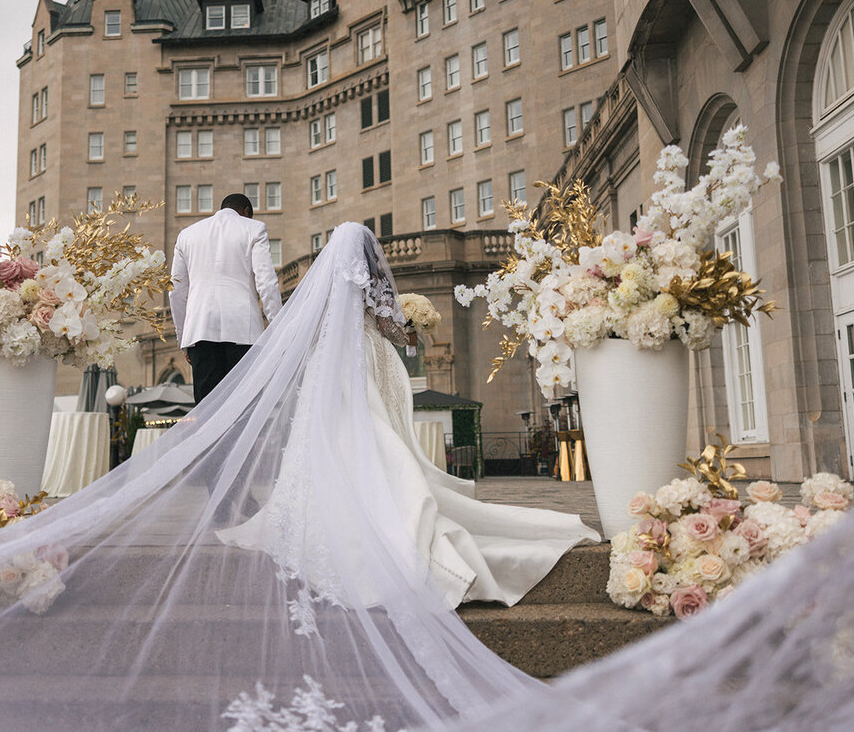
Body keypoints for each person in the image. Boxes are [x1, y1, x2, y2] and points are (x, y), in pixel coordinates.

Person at [0, 224, 854, 731]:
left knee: (346, 479)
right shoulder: (366, 297)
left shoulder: (300, 290)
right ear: (370, 265)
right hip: (372, 394)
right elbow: (394, 330)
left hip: (321, 390)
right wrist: (400, 339)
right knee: (415, 477)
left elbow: (301, 335)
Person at [219, 225, 600, 608]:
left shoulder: (324, 287)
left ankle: (326, 502)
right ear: (369, 254)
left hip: (327, 364)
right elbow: (389, 327)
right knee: (370, 428)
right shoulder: (373, 280)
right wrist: (412, 332)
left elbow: (312, 330)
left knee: (332, 433)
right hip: (363, 355)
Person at [169, 192, 282, 405]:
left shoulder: (187, 235)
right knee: (243, 409)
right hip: (243, 330)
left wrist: (183, 338)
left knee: (205, 412)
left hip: (200, 330)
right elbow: (266, 282)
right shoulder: (254, 228)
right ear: (246, 212)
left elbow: (176, 291)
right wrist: (278, 327)